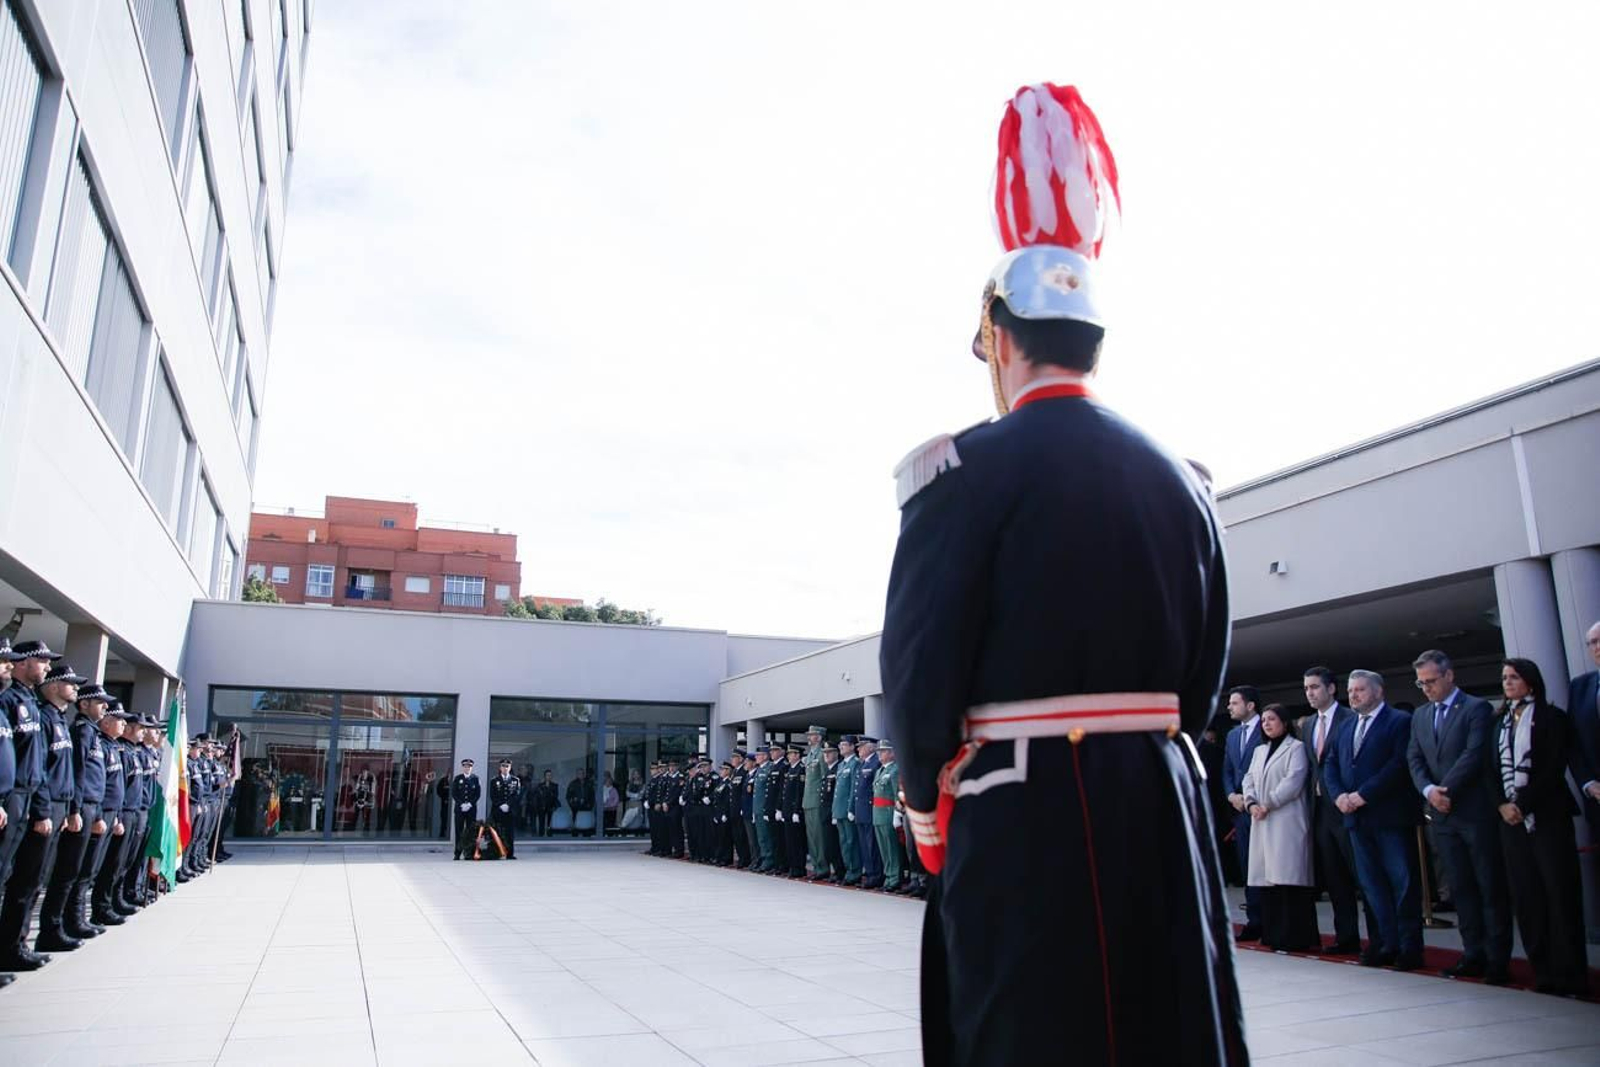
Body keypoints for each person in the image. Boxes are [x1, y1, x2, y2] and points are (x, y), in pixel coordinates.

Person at [880, 82, 1242, 1066]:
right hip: (1157, 805)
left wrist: (927, 815)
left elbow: (918, 679)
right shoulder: (1183, 481)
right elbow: (1203, 679)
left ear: (1000, 338)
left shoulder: (956, 474)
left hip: (1016, 810)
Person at [1408, 649, 1511, 983]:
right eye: (1421, 683)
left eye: (1431, 681)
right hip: (1442, 817)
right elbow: (1415, 758)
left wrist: (1445, 791)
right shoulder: (1421, 715)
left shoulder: (1476, 708)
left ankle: (1497, 958)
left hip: (1473, 811)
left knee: (1489, 886)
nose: (1426, 688)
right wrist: (1429, 791)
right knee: (1461, 888)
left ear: (1449, 675)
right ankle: (1472, 953)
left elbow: (1473, 754)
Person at [1488, 657, 1589, 997]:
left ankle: (1571, 975)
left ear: (1530, 681)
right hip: (1510, 821)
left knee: (1559, 895)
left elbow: (1553, 766)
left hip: (1546, 817)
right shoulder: (1498, 721)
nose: (1508, 682)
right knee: (1527, 896)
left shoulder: (1551, 717)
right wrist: (1503, 804)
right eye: (1504, 677)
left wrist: (1523, 803)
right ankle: (1543, 972)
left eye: (1514, 677)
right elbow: (1489, 770)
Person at [1324, 670, 1423, 970]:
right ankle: (1386, 944)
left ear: (1378, 692)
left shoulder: (1399, 722)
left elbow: (1398, 765)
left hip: (1390, 817)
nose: (1353, 695)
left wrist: (1363, 795)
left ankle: (1409, 948)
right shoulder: (1346, 726)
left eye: (1360, 690)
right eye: (1351, 690)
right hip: (1356, 819)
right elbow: (1331, 763)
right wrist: (1338, 796)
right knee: (1372, 886)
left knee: (1402, 885)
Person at [0, 645, 74, 971]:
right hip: (13, 798)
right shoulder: (10, 702)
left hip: (30, 798)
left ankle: (14, 946)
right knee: (14, 879)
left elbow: (39, 765)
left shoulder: (30, 703)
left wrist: (43, 807)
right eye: (41, 660)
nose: (46, 666)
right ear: (24, 664)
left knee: (29, 880)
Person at [1300, 667, 1372, 955]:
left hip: (1347, 808)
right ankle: (1347, 937)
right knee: (1335, 879)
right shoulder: (1308, 725)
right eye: (1307, 688)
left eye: (1315, 687)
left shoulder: (1350, 718)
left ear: (1331, 689)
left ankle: (1379, 939)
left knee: (1363, 877)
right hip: (1320, 812)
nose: (1310, 693)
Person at [36, 680, 112, 951]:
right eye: (100, 703)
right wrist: (75, 810)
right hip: (77, 806)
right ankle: (56, 926)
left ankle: (70, 921)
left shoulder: (90, 732)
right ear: (84, 704)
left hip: (90, 806)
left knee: (80, 870)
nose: (105, 708)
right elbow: (78, 773)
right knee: (66, 871)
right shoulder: (81, 731)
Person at [1239, 705, 1318, 952]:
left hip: (1286, 819)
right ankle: (1272, 935)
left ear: (1284, 722)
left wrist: (1267, 803)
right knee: (1268, 880)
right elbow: (1248, 779)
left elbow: (1293, 781)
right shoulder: (1259, 750)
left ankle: (1295, 937)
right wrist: (1251, 803)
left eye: (1272, 719)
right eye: (1263, 720)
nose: (1266, 723)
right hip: (1261, 819)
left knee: (1288, 879)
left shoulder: (1296, 748)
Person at [1222, 685, 1268, 942]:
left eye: (1234, 703)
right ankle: (1255, 919)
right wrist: (1231, 795)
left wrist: (1250, 799)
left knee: (1265, 866)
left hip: (1263, 808)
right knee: (1247, 867)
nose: (1229, 707)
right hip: (1239, 811)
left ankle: (1270, 919)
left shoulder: (1267, 727)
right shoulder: (1232, 735)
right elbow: (1227, 770)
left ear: (1250, 705)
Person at [1567, 621, 1600, 823]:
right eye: (1593, 642)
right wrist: (1588, 783)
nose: (1598, 647)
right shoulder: (1579, 687)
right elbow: (1572, 741)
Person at [871, 739, 903, 892]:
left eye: (883, 751)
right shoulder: (880, 770)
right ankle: (888, 876)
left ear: (892, 753)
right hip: (878, 813)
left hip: (888, 812)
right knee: (884, 848)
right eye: (879, 751)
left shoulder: (895, 770)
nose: (879, 754)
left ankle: (895, 878)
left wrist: (897, 812)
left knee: (891, 848)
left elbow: (897, 793)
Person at [832, 736, 861, 886]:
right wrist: (834, 811)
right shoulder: (841, 765)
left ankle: (855, 872)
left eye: (844, 744)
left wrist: (851, 809)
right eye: (840, 744)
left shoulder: (855, 763)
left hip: (847, 810)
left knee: (851, 842)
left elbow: (853, 788)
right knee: (844, 843)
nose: (841, 747)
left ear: (852, 747)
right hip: (839, 810)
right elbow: (837, 791)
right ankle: (849, 870)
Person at [801, 725, 829, 881]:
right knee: (811, 836)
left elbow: (825, 778)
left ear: (819, 737)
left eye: (812, 735)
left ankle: (823, 867)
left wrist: (822, 799)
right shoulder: (810, 755)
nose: (809, 737)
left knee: (819, 836)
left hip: (817, 800)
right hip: (808, 800)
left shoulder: (821, 755)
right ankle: (816, 866)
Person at [780, 743, 808, 877]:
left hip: (794, 811)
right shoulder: (789, 769)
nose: (788, 756)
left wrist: (797, 811)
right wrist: (781, 809)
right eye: (788, 754)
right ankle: (793, 866)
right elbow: (784, 792)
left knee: (797, 841)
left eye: (791, 754)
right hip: (787, 810)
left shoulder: (801, 769)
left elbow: (799, 792)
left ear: (797, 755)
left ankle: (799, 867)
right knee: (789, 841)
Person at [819, 745, 845, 881]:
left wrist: (834, 812)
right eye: (825, 753)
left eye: (829, 752)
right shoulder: (828, 770)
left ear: (836, 753)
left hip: (833, 812)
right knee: (829, 844)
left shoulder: (838, 768)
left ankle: (840, 871)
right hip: (825, 812)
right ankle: (836, 869)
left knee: (835, 843)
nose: (826, 755)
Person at [490, 758, 520, 859]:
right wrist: (501, 805)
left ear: (510, 768)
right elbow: (493, 796)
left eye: (507, 766)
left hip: (510, 811)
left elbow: (517, 795)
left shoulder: (515, 780)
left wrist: (508, 805)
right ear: (500, 767)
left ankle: (510, 854)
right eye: (503, 766)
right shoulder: (494, 780)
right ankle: (497, 853)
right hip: (498, 810)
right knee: (497, 832)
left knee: (509, 833)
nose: (505, 768)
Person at [450, 759, 480, 861]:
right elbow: (454, 793)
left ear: (472, 768)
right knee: (459, 831)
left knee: (470, 831)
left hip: (471, 809)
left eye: (469, 767)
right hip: (460, 809)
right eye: (465, 766)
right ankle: (457, 853)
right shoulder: (458, 778)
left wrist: (470, 804)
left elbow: (477, 794)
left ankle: (469, 853)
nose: (467, 768)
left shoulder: (475, 778)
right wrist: (461, 804)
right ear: (463, 767)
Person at [750, 746, 774, 871]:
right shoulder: (759, 769)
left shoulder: (769, 768)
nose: (756, 757)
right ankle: (764, 859)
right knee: (761, 837)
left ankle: (769, 860)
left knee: (766, 836)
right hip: (757, 808)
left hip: (764, 807)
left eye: (758, 755)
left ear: (765, 756)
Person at [566, 767, 595, 838]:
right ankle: (575, 840)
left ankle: (587, 839)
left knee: (586, 826)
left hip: (586, 808)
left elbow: (592, 796)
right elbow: (568, 796)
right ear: (576, 774)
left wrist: (590, 805)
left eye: (582, 773)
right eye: (579, 773)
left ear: (584, 774)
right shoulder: (572, 784)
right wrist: (573, 805)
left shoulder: (589, 783)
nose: (580, 775)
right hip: (576, 808)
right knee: (575, 826)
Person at [602, 771, 620, 835]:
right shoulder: (602, 789)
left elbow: (616, 800)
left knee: (611, 823)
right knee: (604, 823)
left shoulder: (614, 790)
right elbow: (598, 798)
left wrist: (610, 806)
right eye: (606, 782)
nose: (608, 783)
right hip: (603, 809)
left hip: (611, 809)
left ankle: (610, 834)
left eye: (609, 782)